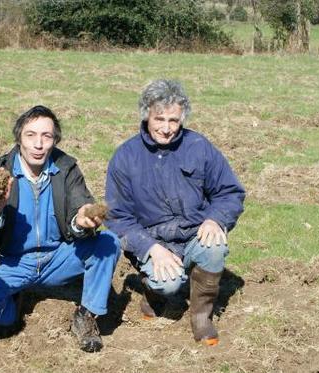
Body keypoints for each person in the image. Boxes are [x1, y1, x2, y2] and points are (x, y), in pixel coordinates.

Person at [0, 105, 120, 353]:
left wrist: (81, 221)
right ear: (19, 139)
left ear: (54, 140)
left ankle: (86, 316)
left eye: (47, 136)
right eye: (31, 135)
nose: (39, 144)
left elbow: (80, 205)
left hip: (57, 257)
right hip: (13, 263)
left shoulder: (66, 168)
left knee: (107, 242)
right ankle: (13, 306)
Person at [105, 80, 245, 346]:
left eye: (174, 120)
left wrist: (216, 218)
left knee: (215, 246)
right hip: (153, 240)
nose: (167, 128)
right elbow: (117, 217)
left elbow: (230, 192)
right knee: (167, 284)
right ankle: (152, 292)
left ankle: (202, 317)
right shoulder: (125, 156)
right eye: (159, 119)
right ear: (146, 114)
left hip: (193, 233)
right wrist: (150, 248)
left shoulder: (199, 147)